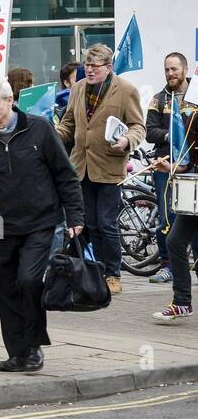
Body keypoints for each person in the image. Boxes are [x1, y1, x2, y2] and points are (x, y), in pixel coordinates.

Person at [0, 77, 85, 371]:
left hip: (40, 220)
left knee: (28, 280)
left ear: (9, 101)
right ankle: (17, 352)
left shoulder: (40, 129)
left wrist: (75, 216)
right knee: (3, 287)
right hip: (0, 222)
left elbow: (65, 174)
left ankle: (34, 346)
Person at [56, 43, 146, 296]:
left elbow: (138, 126)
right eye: (87, 65)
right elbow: (69, 125)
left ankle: (113, 274)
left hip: (108, 165)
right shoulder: (78, 88)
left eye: (95, 66)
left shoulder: (125, 90)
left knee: (107, 223)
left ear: (108, 67)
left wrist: (128, 140)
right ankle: (94, 270)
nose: (90, 70)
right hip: (81, 167)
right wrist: (51, 135)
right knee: (89, 224)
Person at [145, 52, 198, 285]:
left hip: (191, 169)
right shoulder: (159, 98)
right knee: (167, 217)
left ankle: (196, 264)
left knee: (193, 218)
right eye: (167, 69)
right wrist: (171, 135)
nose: (170, 73)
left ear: (185, 70)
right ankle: (167, 266)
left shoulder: (195, 96)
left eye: (174, 69)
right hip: (164, 164)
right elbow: (149, 131)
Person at [156, 98, 198, 322]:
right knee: (175, 241)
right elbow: (189, 160)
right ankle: (182, 302)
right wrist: (171, 167)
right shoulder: (192, 118)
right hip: (195, 192)